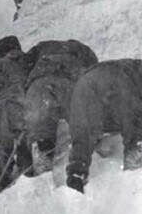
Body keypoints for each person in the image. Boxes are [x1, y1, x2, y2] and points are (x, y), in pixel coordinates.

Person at [66, 59, 142, 193]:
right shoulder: (139, 68)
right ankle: (135, 177)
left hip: (83, 84)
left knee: (82, 132)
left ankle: (77, 171)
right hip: (117, 77)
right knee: (133, 126)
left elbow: (82, 125)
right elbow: (130, 115)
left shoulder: (122, 67)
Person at [24, 39, 98, 175]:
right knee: (79, 120)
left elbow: (24, 65)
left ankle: (43, 151)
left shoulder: (41, 47)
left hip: (39, 83)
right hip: (68, 82)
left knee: (40, 125)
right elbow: (93, 69)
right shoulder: (80, 48)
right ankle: (91, 148)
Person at [0, 35, 33, 196]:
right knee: (24, 146)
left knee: (1, 149)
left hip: (6, 110)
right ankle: (29, 177)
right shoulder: (30, 62)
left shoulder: (0, 65)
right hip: (29, 109)